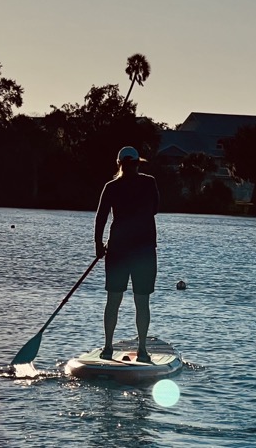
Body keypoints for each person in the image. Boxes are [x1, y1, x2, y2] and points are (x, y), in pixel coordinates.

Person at [95, 145, 159, 361]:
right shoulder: (149, 183)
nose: (134, 168)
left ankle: (108, 348)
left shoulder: (111, 186)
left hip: (119, 250)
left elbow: (101, 218)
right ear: (130, 164)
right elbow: (155, 209)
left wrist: (98, 244)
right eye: (133, 164)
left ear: (119, 164)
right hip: (142, 251)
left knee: (114, 300)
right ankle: (141, 350)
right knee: (141, 302)